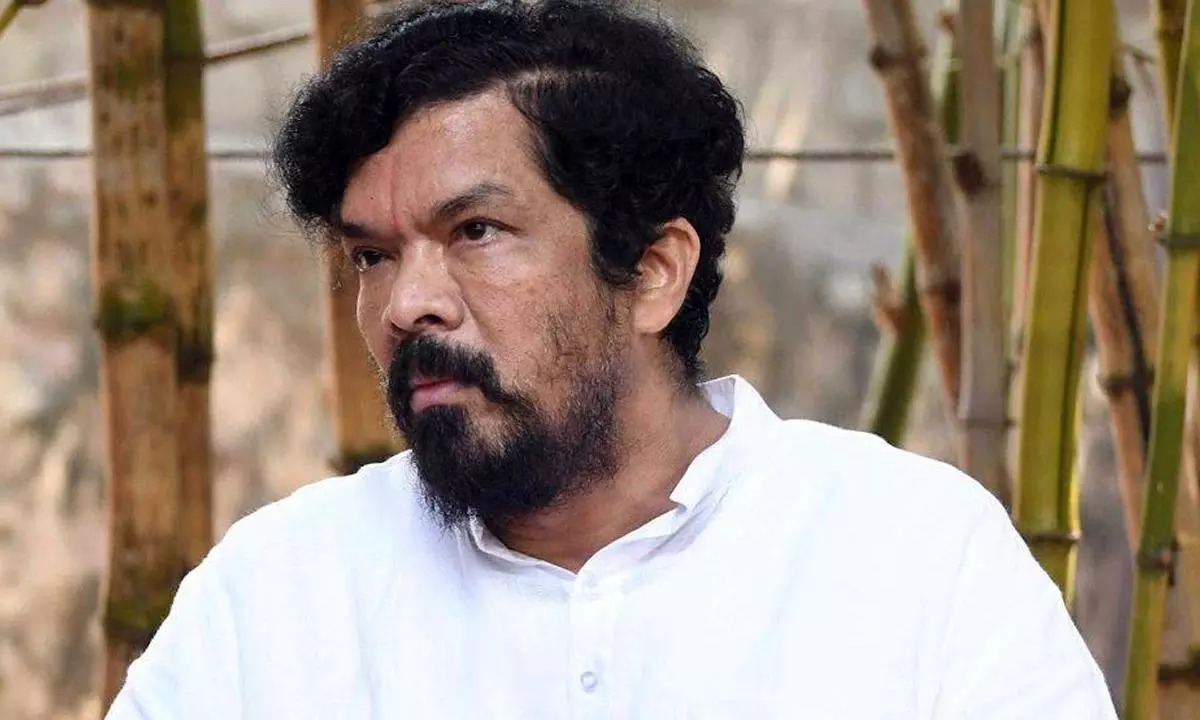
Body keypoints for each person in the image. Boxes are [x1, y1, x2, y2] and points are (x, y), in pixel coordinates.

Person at [107, 1, 1117, 717]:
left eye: (475, 232)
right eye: (373, 255)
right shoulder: (275, 598)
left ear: (651, 272)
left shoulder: (913, 559)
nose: (407, 303)